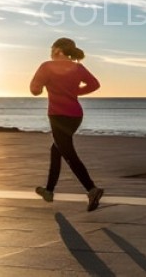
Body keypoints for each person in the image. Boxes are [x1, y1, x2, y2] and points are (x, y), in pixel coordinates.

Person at [29, 37, 104, 211]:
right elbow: (94, 84)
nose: (50, 52)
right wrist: (75, 91)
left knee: (68, 153)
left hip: (58, 116)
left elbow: (34, 90)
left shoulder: (46, 66)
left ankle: (91, 189)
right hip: (75, 116)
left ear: (57, 51)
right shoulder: (78, 67)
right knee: (57, 150)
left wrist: (42, 87)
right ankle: (49, 190)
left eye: (51, 49)